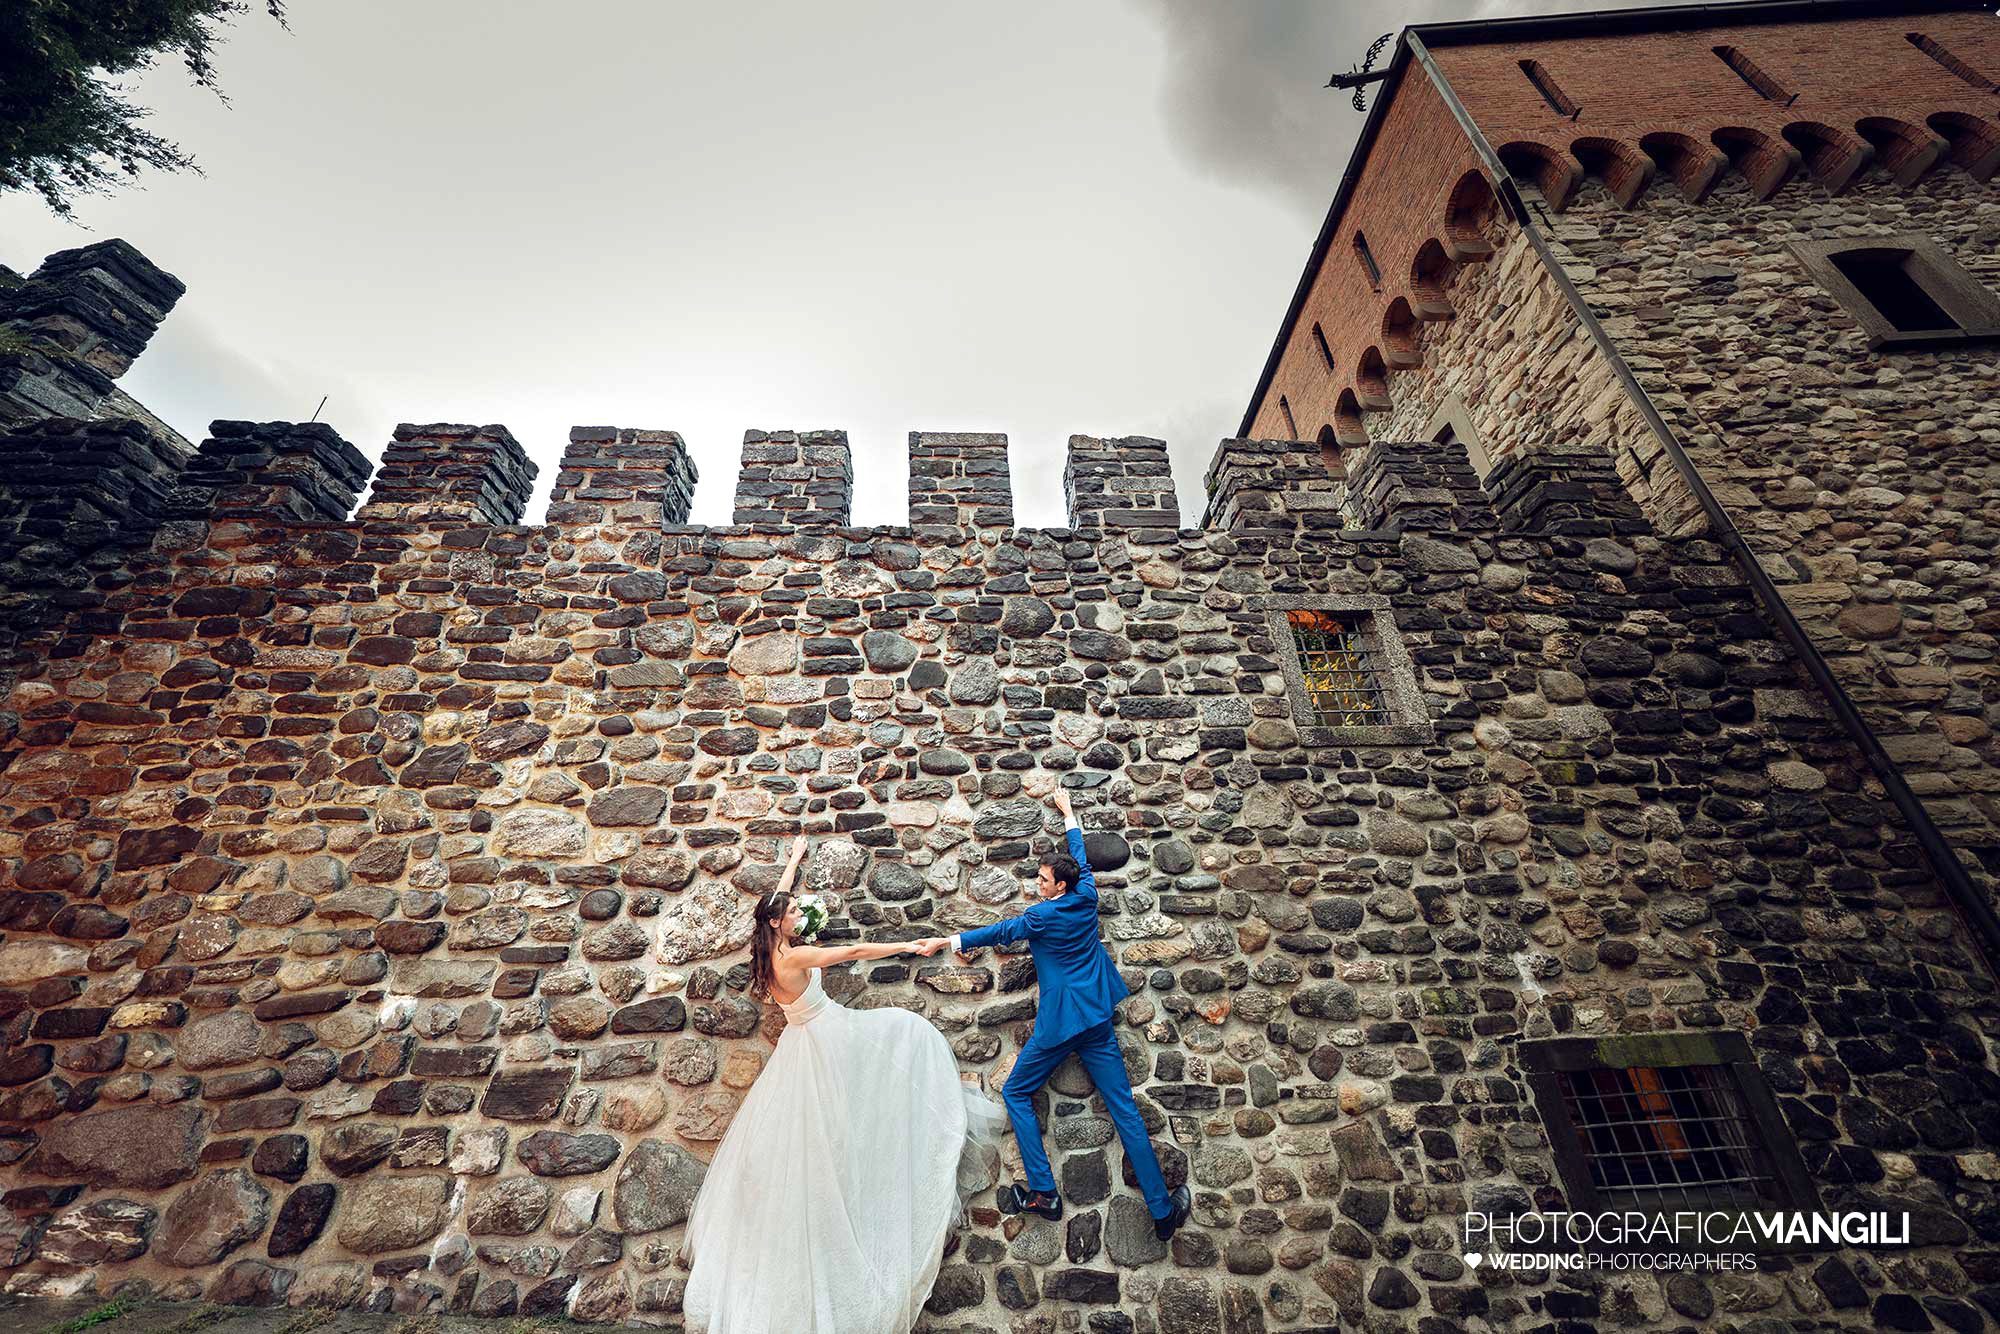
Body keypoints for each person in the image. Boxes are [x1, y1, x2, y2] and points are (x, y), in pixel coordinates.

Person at [680, 835, 1007, 1334]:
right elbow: (852, 950)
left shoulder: (770, 955)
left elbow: (775, 897)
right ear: (776, 923)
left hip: (801, 1044)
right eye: (789, 913)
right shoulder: (792, 959)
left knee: (815, 1142)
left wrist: (792, 859)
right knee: (902, 1034)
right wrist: (906, 945)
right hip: (825, 1038)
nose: (795, 915)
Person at [913, 787, 1192, 1240]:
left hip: (1061, 1025)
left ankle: (1044, 1191)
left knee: (1018, 1092)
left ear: (1057, 887)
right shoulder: (1084, 897)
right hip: (1098, 1019)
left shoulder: (1042, 916)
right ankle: (1162, 1213)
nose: (1037, 885)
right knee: (1125, 1113)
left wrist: (947, 942)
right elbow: (1080, 860)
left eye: (1042, 881)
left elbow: (1000, 930)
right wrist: (1069, 815)